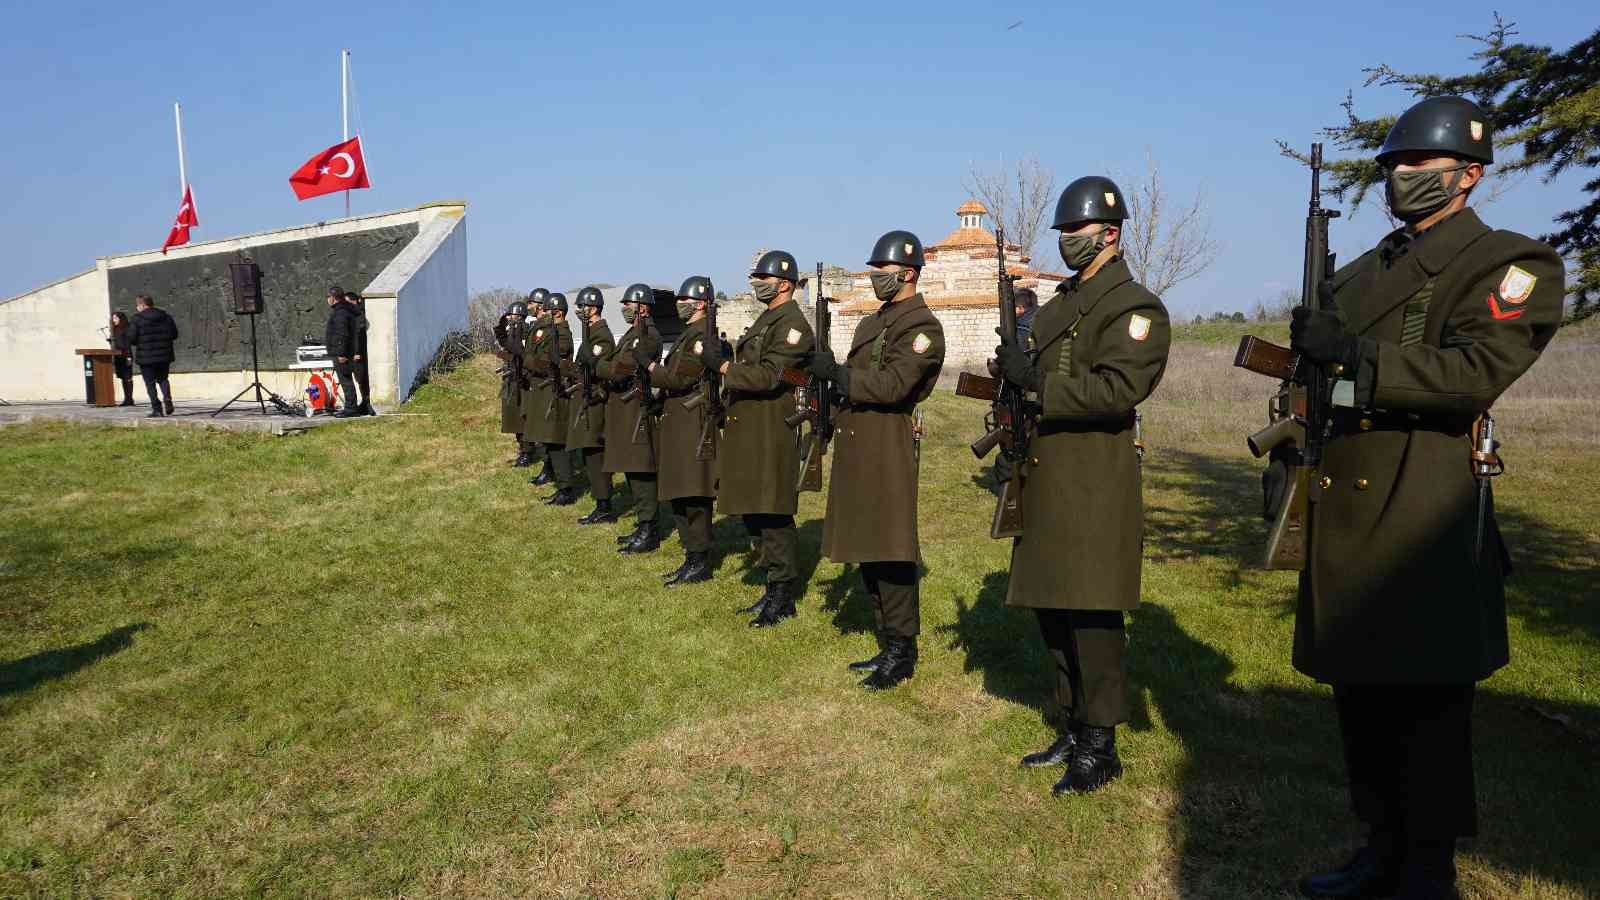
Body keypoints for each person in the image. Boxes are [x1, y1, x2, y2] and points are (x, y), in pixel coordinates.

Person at [1280, 96, 1564, 900]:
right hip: (1345, 492)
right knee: (1362, 697)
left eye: (1418, 165)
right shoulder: (1371, 266)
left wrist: (1358, 359)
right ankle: (1379, 849)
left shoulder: (1510, 264)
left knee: (1426, 708)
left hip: (1420, 500)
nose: (1400, 177)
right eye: (1392, 166)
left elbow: (1474, 372)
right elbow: (1318, 360)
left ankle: (1427, 871)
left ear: (1469, 175)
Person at [992, 175, 1171, 796]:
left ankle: (1101, 742)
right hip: (1044, 471)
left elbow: (1118, 391)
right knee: (1053, 607)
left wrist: (1038, 386)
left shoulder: (1134, 308)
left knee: (1092, 616)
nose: (1067, 239)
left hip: (1093, 479)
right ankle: (1071, 724)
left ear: (1111, 234)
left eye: (1077, 230)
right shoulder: (1060, 303)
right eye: (1062, 231)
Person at [808, 231, 945, 688]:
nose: (873, 280)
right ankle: (886, 643)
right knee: (868, 545)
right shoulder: (875, 323)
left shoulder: (922, 328)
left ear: (907, 274)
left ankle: (902, 650)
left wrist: (841, 376)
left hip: (886, 442)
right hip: (857, 438)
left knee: (890, 548)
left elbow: (893, 387)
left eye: (880, 273)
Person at [716, 250, 815, 623]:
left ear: (784, 284)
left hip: (773, 426)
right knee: (756, 508)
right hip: (750, 425)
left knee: (773, 512)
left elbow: (771, 375)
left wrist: (726, 367)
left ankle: (783, 594)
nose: (757, 284)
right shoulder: (769, 317)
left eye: (763, 278)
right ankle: (771, 587)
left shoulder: (793, 326)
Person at [648, 276, 722, 585]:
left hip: (693, 422)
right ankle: (690, 556)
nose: (679, 305)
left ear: (701, 304)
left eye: (685, 300)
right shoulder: (687, 335)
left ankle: (700, 559)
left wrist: (651, 369)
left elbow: (679, 379)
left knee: (694, 494)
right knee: (679, 491)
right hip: (678, 421)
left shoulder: (702, 339)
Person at [595, 283, 665, 553]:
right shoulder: (633, 333)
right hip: (624, 408)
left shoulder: (646, 335)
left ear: (642, 306)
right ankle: (643, 523)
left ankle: (650, 529)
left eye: (628, 304)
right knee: (632, 468)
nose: (623, 308)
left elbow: (621, 370)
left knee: (641, 468)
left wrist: (597, 365)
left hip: (635, 407)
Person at [569, 287, 617, 524]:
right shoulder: (590, 333)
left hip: (596, 399)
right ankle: (601, 502)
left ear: (594, 308)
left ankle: (605, 505)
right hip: (586, 396)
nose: (579, 311)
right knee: (589, 453)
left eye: (582, 306)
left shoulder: (601, 335)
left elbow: (600, 367)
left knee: (595, 453)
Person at [526, 293, 577, 505]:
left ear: (557, 312)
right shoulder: (551, 333)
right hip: (543, 390)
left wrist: (530, 360)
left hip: (554, 392)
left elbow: (545, 361)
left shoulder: (562, 335)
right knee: (548, 440)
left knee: (556, 442)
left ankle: (566, 488)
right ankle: (559, 482)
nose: (543, 314)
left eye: (547, 310)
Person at [991, 286, 1039, 489]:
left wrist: (995, 366)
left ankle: (1011, 486)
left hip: (1017, 397)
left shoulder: (1020, 330)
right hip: (1035, 397)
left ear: (1019, 309)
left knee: (1012, 447)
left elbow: (1009, 364)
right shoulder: (1042, 325)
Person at [127, 294, 179, 418]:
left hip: (146, 357)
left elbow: (132, 338)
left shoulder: (137, 319)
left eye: (137, 305)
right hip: (163, 355)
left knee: (150, 383)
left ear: (143, 305)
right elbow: (174, 334)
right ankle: (167, 399)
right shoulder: (166, 316)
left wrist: (137, 341)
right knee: (163, 379)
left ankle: (157, 409)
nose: (137, 308)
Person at [495, 300, 533, 466]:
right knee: (512, 417)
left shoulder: (525, 331)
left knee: (521, 418)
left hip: (521, 379)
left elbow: (521, 351)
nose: (510, 318)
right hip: (510, 378)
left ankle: (527, 452)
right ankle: (522, 449)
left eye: (513, 315)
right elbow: (504, 341)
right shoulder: (512, 331)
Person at [323, 285, 361, 418]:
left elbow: (342, 334)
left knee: (346, 381)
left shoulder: (341, 312)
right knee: (347, 380)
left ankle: (351, 408)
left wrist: (340, 354)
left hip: (343, 354)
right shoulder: (346, 310)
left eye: (328, 297)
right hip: (346, 352)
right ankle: (352, 407)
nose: (327, 299)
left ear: (333, 298)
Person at [345, 291, 375, 416]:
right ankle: (364, 402)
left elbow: (357, 334)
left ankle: (367, 403)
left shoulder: (358, 314)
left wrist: (356, 352)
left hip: (360, 353)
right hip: (355, 352)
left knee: (362, 378)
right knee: (359, 379)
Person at [107, 310, 135, 407]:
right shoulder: (115, 329)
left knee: (127, 378)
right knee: (123, 378)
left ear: (121, 319)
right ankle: (127, 398)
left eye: (116, 318)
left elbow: (127, 344)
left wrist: (128, 357)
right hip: (118, 356)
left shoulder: (126, 329)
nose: (114, 320)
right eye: (113, 318)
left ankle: (129, 398)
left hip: (125, 355)